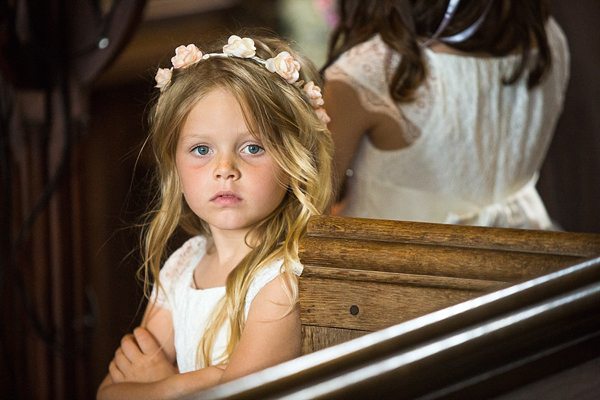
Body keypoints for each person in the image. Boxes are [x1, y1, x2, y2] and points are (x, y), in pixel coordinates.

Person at [96, 33, 333, 399]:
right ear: (173, 161)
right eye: (201, 149)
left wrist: (163, 384)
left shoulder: (279, 284)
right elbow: (109, 393)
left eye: (253, 147)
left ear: (294, 161)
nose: (225, 169)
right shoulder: (182, 266)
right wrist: (203, 380)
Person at [322, 0, 570, 229]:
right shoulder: (549, 39)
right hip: (530, 255)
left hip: (397, 266)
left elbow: (309, 214)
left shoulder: (371, 73)